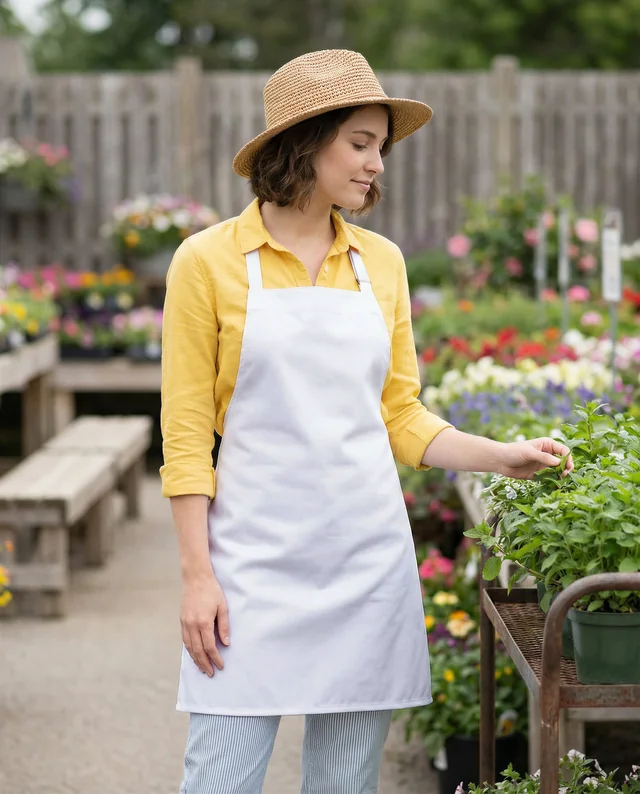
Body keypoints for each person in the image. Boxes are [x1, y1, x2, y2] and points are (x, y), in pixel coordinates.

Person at [160, 49, 574, 794]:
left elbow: (402, 416)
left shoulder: (380, 264)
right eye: (359, 142)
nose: (376, 163)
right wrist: (197, 577)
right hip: (250, 566)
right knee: (217, 782)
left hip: (363, 567)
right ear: (304, 140)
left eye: (381, 145)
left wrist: (499, 454)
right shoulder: (207, 262)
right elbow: (187, 435)